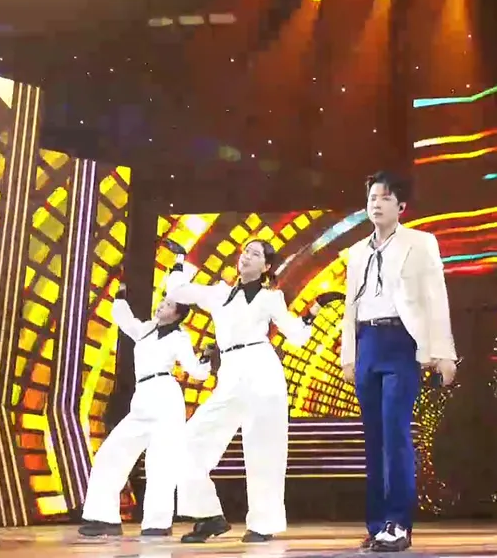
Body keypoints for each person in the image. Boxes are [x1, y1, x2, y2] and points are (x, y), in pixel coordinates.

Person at [162, 240, 314, 544]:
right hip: (230, 371)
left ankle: (263, 524)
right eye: (245, 251)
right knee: (190, 441)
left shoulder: (271, 298)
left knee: (264, 449)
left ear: (266, 267)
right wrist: (180, 260)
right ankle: (208, 515)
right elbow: (177, 292)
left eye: (255, 254)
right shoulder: (218, 293)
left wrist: (310, 316)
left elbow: (296, 336)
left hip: (261, 368)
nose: (246, 256)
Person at [340, 171, 456, 553]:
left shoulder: (420, 243)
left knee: (395, 433)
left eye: (385, 198)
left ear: (401, 206)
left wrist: (444, 353)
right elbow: (350, 307)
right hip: (367, 342)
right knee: (373, 438)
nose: (377, 203)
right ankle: (376, 525)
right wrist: (348, 356)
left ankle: (398, 522)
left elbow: (435, 297)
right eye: (372, 197)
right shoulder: (356, 251)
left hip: (401, 341)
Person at [78, 279, 211, 537]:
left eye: (168, 305)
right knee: (111, 453)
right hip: (142, 398)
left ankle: (157, 524)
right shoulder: (146, 329)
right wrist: (119, 297)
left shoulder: (180, 337)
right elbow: (125, 321)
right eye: (162, 302)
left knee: (161, 462)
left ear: (178, 314)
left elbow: (196, 371)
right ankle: (103, 517)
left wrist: (206, 360)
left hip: (166, 396)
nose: (161, 306)